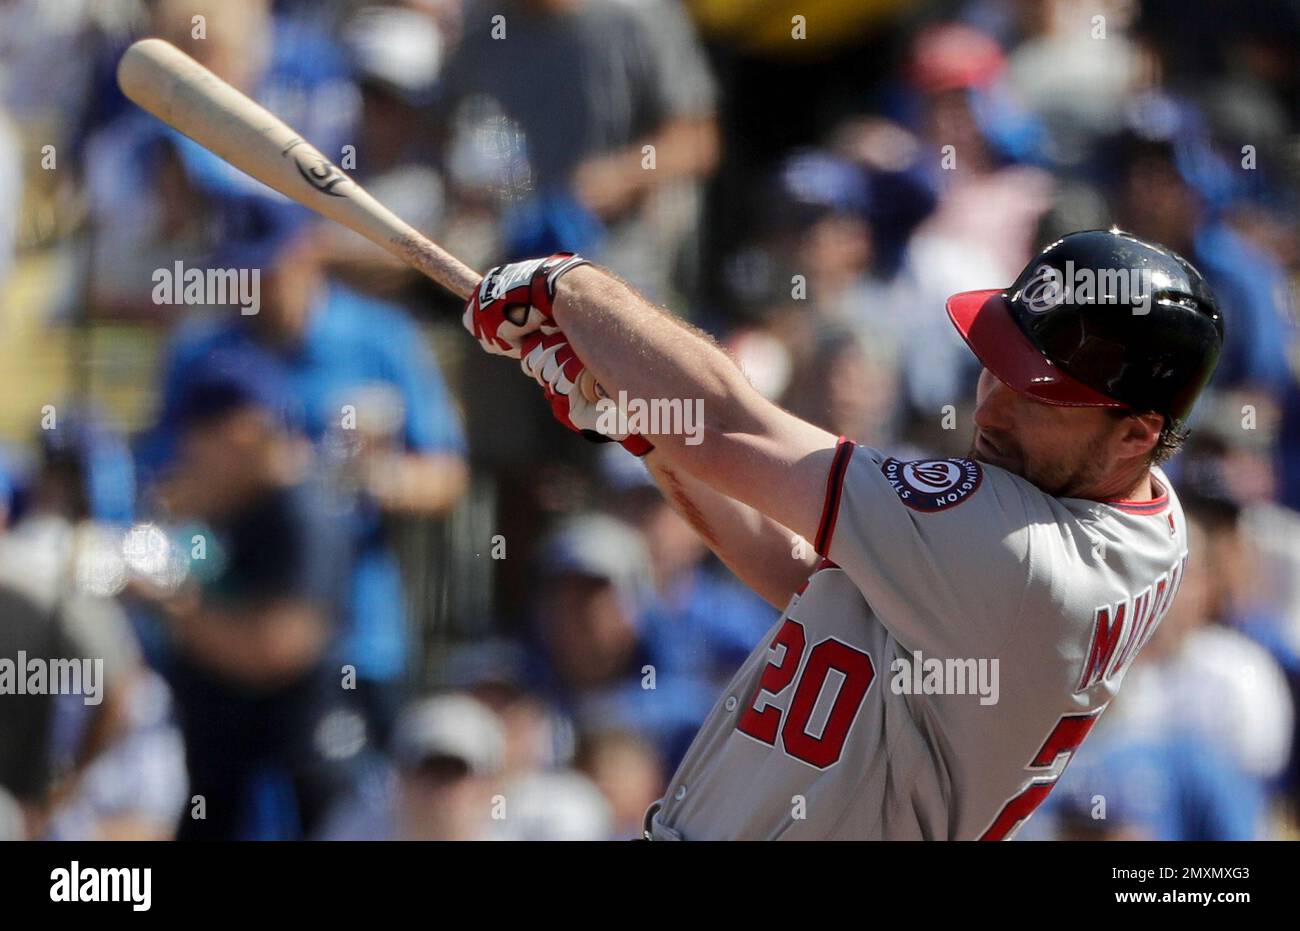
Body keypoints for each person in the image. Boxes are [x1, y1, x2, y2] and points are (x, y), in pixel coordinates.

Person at [461, 228, 1224, 840]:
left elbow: (730, 427)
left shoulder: (1022, 553)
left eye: (1038, 397)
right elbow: (801, 570)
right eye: (996, 369)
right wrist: (647, 423)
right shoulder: (1144, 514)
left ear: (1137, 432)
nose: (990, 409)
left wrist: (571, 285)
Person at [153, 197, 468, 745]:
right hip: (226, 613)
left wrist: (361, 477)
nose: (253, 289)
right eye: (239, 273)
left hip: (356, 627)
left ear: (308, 253)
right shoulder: (204, 351)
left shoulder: (379, 338)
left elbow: (445, 476)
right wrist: (251, 473)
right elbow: (163, 485)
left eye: (267, 270)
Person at [145, 346, 362, 840]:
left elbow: (273, 648)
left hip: (293, 778)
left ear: (241, 431)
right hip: (227, 771)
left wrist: (166, 600)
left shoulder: (302, 515)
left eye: (197, 436)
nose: (185, 453)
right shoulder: (233, 508)